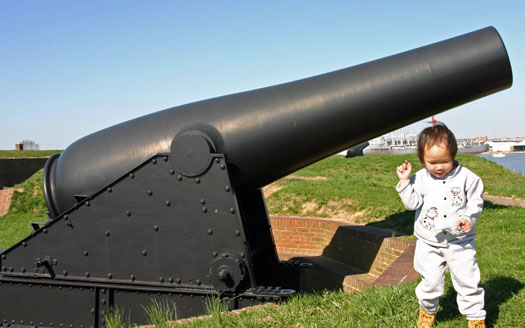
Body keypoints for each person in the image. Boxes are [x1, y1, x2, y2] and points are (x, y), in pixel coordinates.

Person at [395, 124, 486, 328]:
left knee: (468, 280)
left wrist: (469, 219)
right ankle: (427, 310)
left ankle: (476, 317)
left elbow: (476, 202)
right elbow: (412, 204)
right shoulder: (420, 178)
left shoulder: (468, 178)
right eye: (431, 162)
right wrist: (404, 182)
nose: (438, 167)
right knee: (430, 281)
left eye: (444, 161)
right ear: (422, 159)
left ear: (453, 154)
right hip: (429, 242)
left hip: (460, 242)